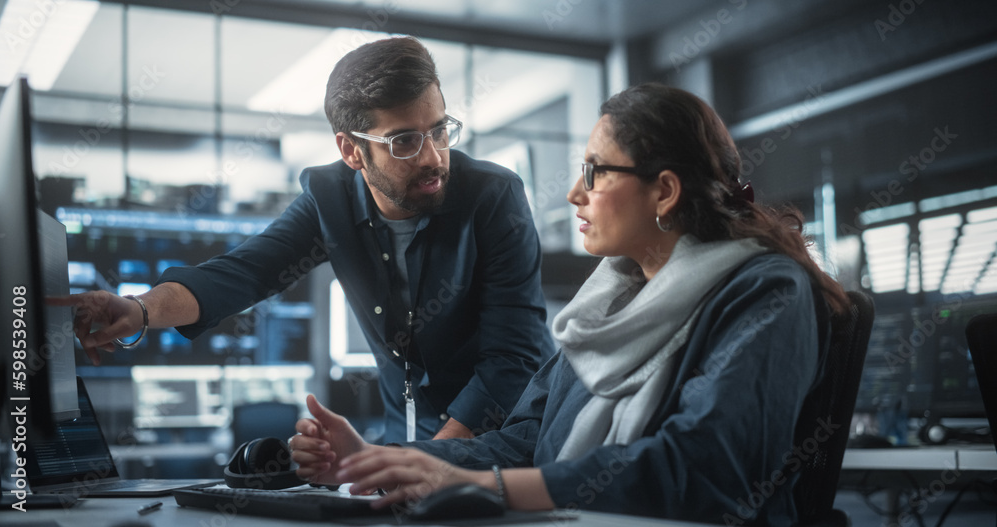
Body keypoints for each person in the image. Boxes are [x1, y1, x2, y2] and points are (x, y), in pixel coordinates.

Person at [288, 83, 849, 526]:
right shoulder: (607, 304)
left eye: (595, 171)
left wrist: (491, 489)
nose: (573, 194)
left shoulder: (765, 293)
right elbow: (528, 438)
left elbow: (704, 468)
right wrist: (381, 461)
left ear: (665, 191)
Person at [52, 36, 555, 443]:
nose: (433, 157)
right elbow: (243, 273)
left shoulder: (493, 197)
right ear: (351, 150)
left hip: (510, 435)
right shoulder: (329, 197)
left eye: (439, 130)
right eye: (404, 140)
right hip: (414, 438)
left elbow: (513, 357)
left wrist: (426, 461)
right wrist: (140, 310)